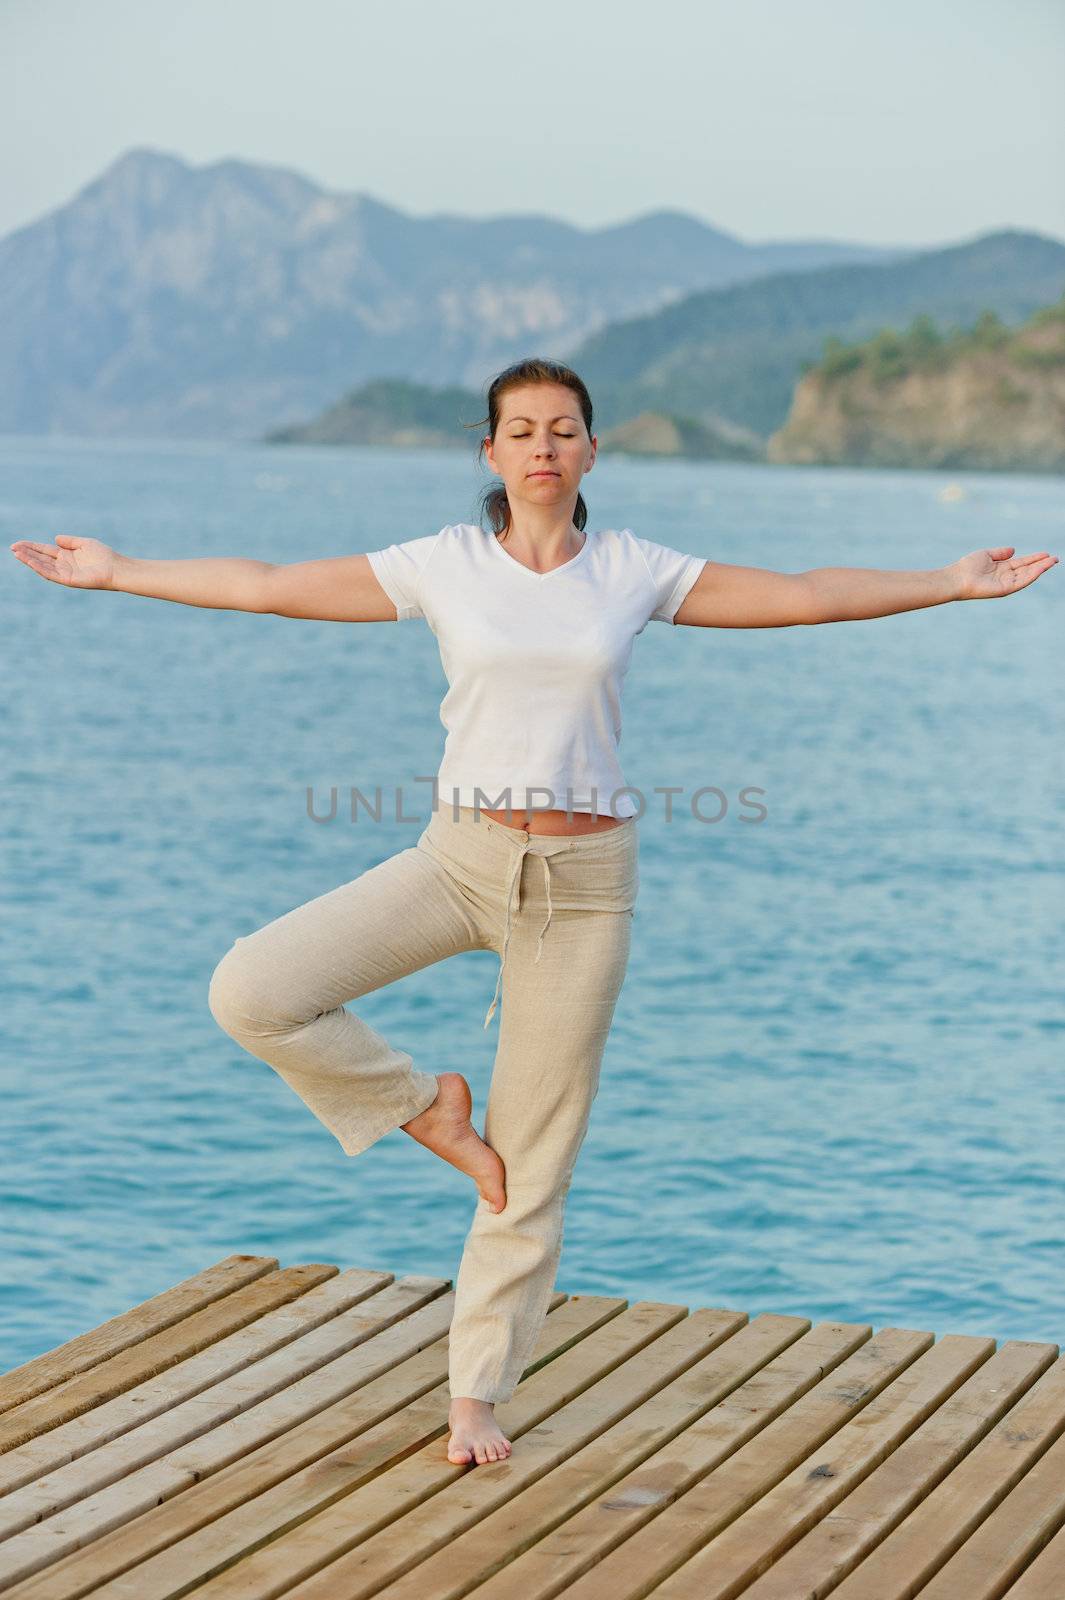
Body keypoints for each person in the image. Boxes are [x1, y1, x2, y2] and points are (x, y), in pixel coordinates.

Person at [8, 356, 1058, 1469]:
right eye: (522, 429)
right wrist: (118, 571)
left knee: (535, 1159)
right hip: (457, 857)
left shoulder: (634, 570)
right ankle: (424, 1107)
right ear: (494, 452)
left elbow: (800, 594)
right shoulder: (444, 563)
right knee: (254, 989)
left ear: (592, 452)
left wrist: (948, 580)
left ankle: (474, 1396)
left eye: (564, 428)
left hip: (585, 888)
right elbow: (271, 582)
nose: (544, 445)